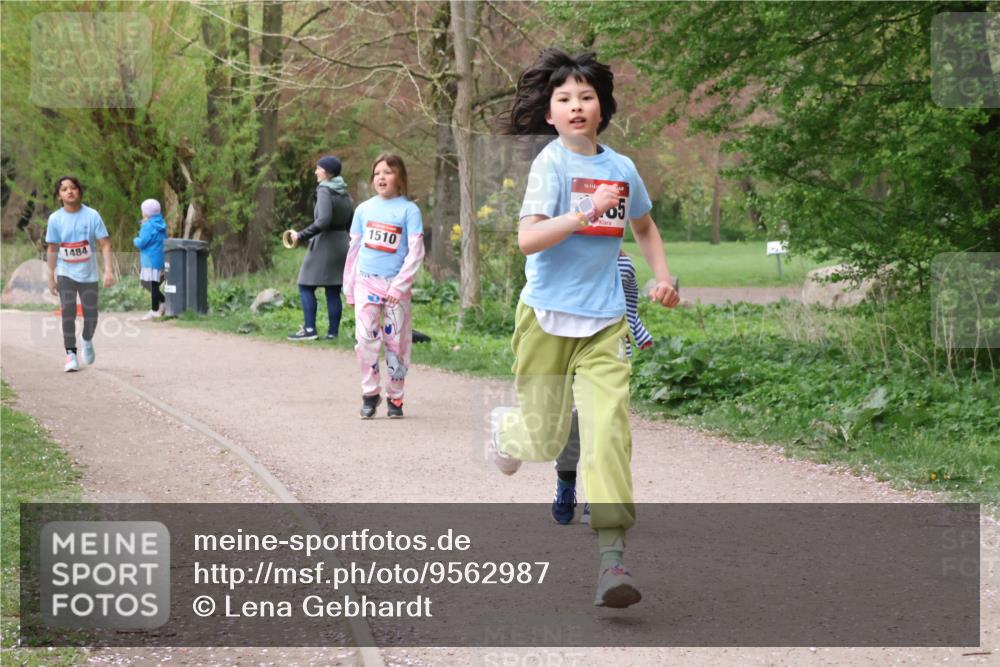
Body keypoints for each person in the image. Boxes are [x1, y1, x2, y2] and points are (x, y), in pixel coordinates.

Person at [490, 49, 680, 608]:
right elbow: (527, 239)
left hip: (603, 324)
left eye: (586, 97)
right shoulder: (550, 165)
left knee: (608, 437)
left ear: (602, 108)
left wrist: (663, 277)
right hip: (547, 317)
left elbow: (644, 227)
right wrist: (585, 213)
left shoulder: (622, 169)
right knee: (547, 439)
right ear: (549, 113)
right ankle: (507, 429)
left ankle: (612, 563)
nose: (576, 106)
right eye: (564, 99)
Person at [551, 251, 654, 525]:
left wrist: (639, 333)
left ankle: (598, 497)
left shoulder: (623, 264)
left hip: (609, 354)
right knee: (570, 425)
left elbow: (629, 305)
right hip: (569, 349)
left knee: (606, 426)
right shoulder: (567, 254)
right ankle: (565, 481)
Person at [343, 153, 424, 419]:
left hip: (395, 288)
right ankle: (370, 393)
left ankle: (396, 397)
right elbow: (354, 249)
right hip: (365, 282)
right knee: (365, 339)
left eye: (388, 172)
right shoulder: (363, 210)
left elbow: (415, 252)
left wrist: (399, 286)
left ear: (399, 177)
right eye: (377, 172)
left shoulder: (409, 210)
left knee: (396, 343)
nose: (381, 177)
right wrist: (349, 286)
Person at [45, 176, 116, 372]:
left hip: (89, 274)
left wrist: (108, 270)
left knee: (91, 316)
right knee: (67, 312)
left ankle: (86, 339)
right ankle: (71, 355)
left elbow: (105, 243)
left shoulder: (92, 215)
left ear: (79, 191)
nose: (69, 192)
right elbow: (52, 248)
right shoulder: (55, 219)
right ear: (59, 196)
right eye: (64, 189)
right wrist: (51, 276)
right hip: (66, 272)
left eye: (73, 188)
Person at [287, 155, 353, 341]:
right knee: (333, 290)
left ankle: (309, 330)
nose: (316, 171)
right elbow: (351, 221)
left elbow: (323, 221)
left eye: (318, 168)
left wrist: (300, 235)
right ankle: (333, 333)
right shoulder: (344, 192)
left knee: (305, 285)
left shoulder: (324, 190)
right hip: (342, 243)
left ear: (326, 172)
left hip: (324, 244)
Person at [133, 198, 168, 320]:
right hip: (158, 258)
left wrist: (135, 240)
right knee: (153, 284)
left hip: (149, 259)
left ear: (146, 212)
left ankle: (156, 308)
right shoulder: (161, 223)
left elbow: (142, 242)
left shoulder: (147, 226)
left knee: (149, 284)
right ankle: (160, 305)